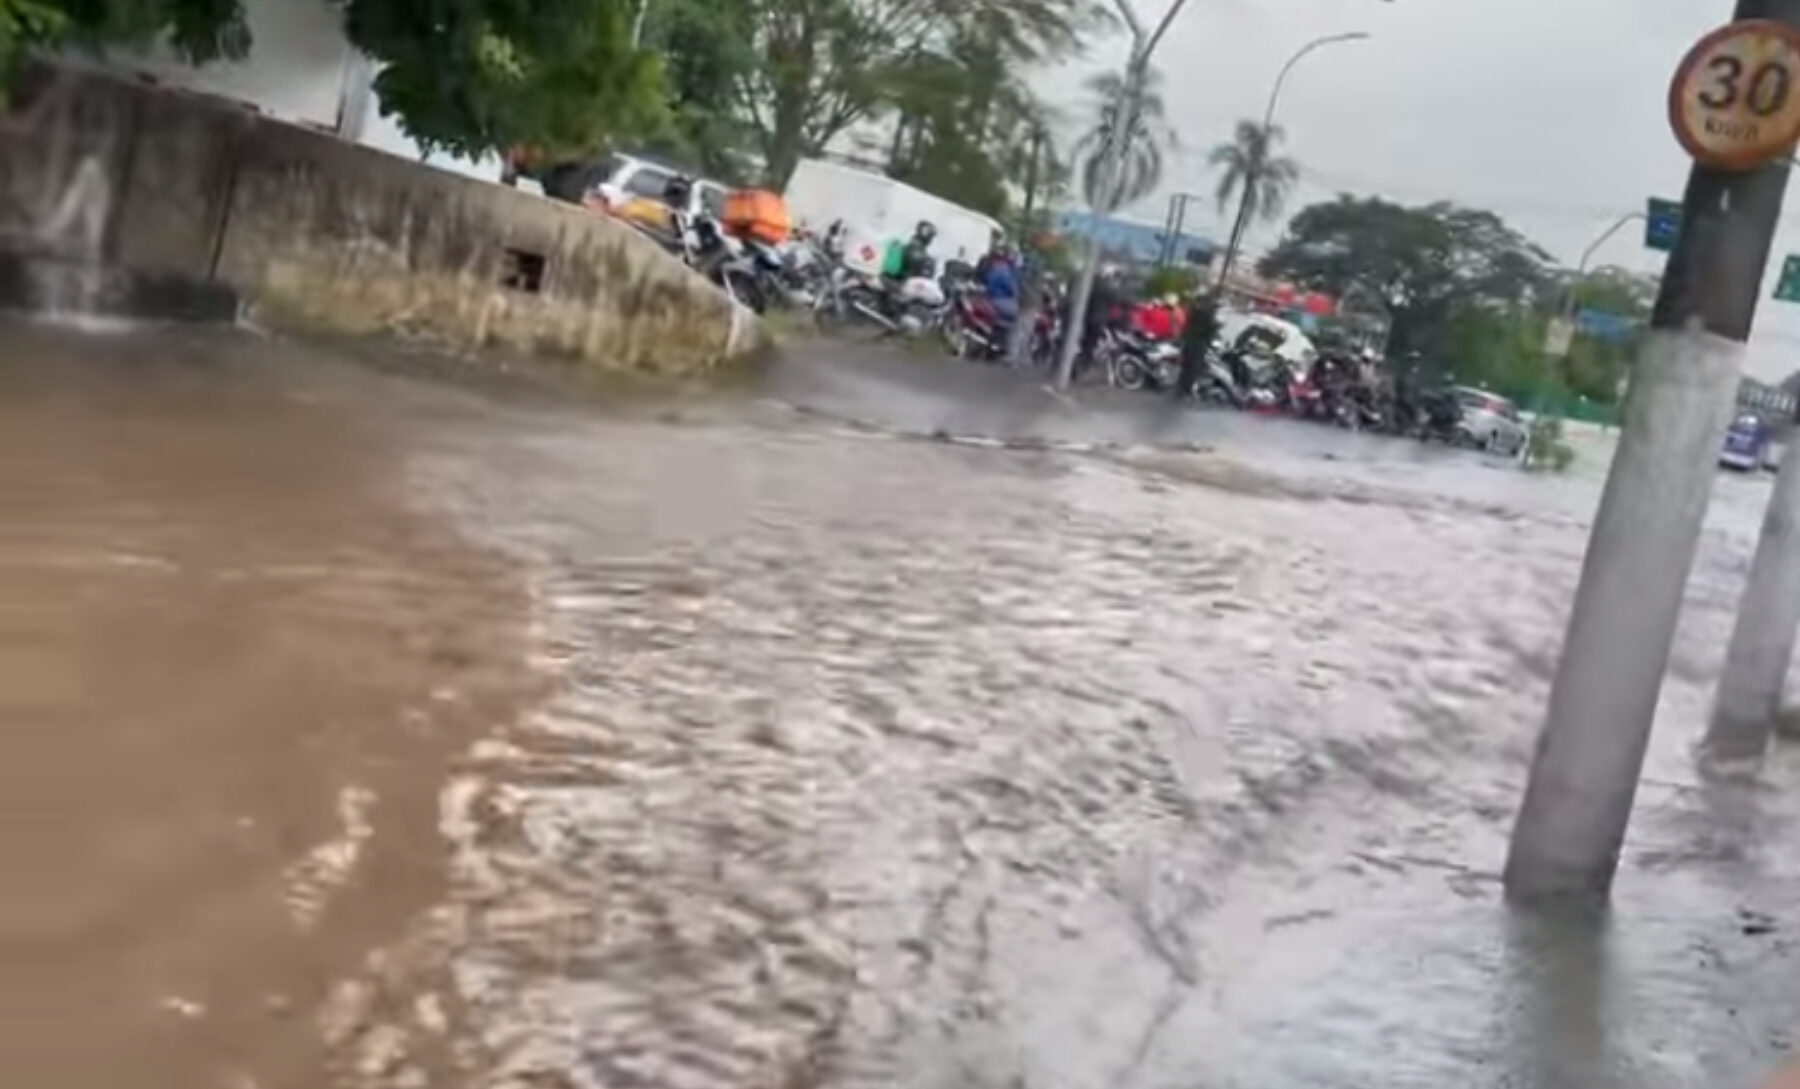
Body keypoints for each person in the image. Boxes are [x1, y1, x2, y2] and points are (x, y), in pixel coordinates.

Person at [1175, 290, 1221, 399]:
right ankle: (1186, 390)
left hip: (1189, 341)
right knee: (1193, 368)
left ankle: (1180, 387)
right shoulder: (1206, 314)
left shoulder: (1194, 311)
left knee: (1186, 366)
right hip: (1199, 343)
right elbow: (1209, 327)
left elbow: (1188, 324)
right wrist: (1217, 326)